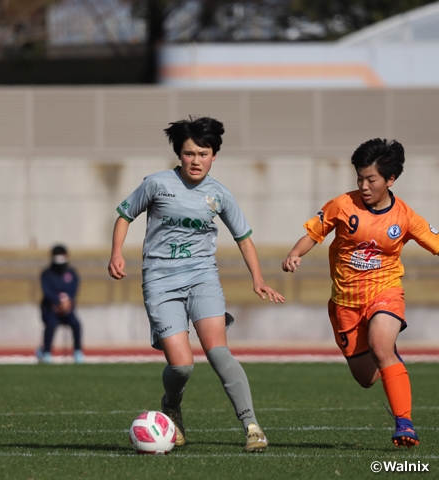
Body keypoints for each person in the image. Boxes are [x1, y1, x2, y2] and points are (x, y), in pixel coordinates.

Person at [108, 116, 284, 452]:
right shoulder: (156, 184)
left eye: (203, 153)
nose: (196, 160)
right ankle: (171, 406)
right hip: (160, 281)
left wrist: (258, 279)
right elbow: (124, 216)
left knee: (218, 352)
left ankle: (251, 425)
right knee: (182, 365)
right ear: (179, 154)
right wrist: (116, 253)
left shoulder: (219, 194)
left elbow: (244, 238)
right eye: (189, 153)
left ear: (214, 155)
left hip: (203, 278)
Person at [281, 138, 439, 448]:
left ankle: (404, 424)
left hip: (385, 291)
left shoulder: (405, 217)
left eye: (371, 179)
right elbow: (314, 233)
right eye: (360, 178)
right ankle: (390, 363)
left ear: (390, 180)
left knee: (381, 344)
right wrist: (295, 253)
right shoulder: (342, 205)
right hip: (345, 304)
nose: (364, 186)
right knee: (367, 378)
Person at [36, 245, 84, 364]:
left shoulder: (71, 273)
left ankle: (78, 352)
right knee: (51, 324)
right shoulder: (47, 274)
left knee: (76, 324)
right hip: (50, 310)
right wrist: (57, 302)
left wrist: (68, 302)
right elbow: (46, 291)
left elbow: (74, 289)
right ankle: (46, 352)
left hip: (67, 310)